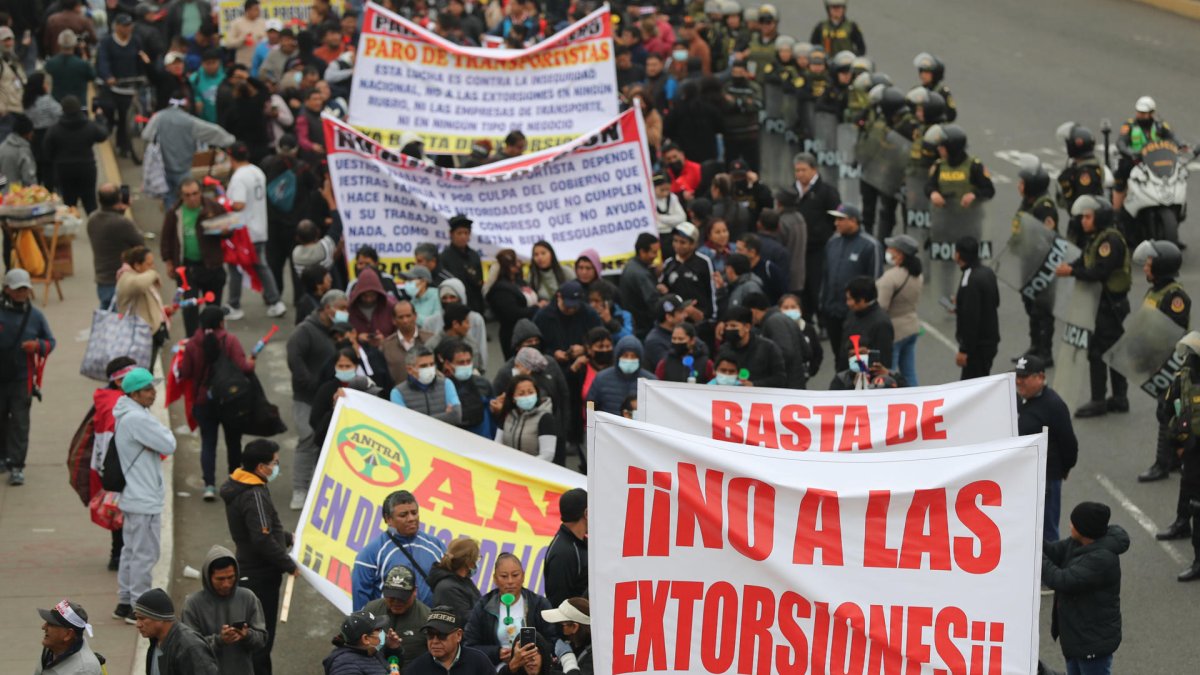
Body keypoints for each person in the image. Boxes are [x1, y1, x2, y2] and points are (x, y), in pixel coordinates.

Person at [1053, 196, 1130, 417]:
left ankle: (1099, 400)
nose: (1083, 221)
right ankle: (1119, 397)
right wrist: (1071, 265)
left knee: (1098, 351)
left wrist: (1071, 272)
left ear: (1100, 217)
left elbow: (1099, 272)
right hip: (1103, 302)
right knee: (1112, 350)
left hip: (1109, 304)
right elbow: (1086, 260)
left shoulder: (1110, 242)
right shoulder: (1095, 238)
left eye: (1088, 217)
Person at [111, 369, 177, 623]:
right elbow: (169, 444)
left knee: (131, 551)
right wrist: (160, 438)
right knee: (145, 554)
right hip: (144, 497)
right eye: (149, 389)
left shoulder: (128, 414)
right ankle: (139, 608)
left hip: (134, 496)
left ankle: (125, 600)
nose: (154, 393)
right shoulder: (137, 419)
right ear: (135, 393)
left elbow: (163, 442)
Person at [1042, 503, 1129, 675]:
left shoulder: (1101, 559)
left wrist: (1037, 557)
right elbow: (1054, 551)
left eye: (1074, 523)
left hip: (1092, 641)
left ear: (1085, 530)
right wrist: (1033, 538)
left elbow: (1062, 580)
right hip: (1078, 637)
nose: (1070, 526)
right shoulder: (1078, 543)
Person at [179, 306, 254, 499]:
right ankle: (235, 483)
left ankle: (209, 486)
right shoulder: (230, 341)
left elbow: (185, 372)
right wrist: (252, 362)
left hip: (203, 401)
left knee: (208, 443)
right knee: (233, 442)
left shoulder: (192, 344)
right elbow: (243, 367)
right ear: (221, 322)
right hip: (230, 400)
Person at [1133, 240, 1190, 482]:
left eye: (1149, 262)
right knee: (1170, 410)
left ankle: (1162, 464)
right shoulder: (1156, 290)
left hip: (1170, 364)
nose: (1145, 266)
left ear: (1161, 265)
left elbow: (1171, 331)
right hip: (1156, 361)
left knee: (1166, 410)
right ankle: (1177, 459)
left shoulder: (1175, 296)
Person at [287, 290, 347, 509]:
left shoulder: (337, 332)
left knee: (328, 441)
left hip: (330, 398)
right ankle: (299, 489)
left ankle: (317, 487)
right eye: (341, 307)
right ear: (327, 308)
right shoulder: (305, 330)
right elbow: (294, 356)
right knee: (307, 438)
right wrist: (311, 384)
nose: (344, 312)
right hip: (307, 397)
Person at [1014, 355, 1078, 542]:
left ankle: (1049, 568)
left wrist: (1063, 469)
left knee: (1046, 529)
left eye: (1024, 377)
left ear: (1040, 377)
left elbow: (1069, 443)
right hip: (1021, 474)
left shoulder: (1054, 405)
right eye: (1018, 376)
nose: (1019, 381)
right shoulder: (1020, 399)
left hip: (1045, 478)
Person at [0, 269, 55, 483]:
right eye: (18, 289)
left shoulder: (35, 316)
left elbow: (50, 341)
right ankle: (2, 457)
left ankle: (17, 466)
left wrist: (38, 346)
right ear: (7, 290)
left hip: (23, 378)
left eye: (25, 289)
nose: (22, 293)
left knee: (20, 423)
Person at [180, 545, 268, 675]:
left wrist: (247, 635)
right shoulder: (193, 605)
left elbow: (262, 639)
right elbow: (190, 650)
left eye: (231, 577)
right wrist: (219, 640)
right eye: (220, 579)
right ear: (208, 577)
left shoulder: (248, 598)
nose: (226, 584)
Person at [222, 142, 286, 319]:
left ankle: (234, 305)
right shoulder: (257, 171)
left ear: (231, 156)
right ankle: (276, 302)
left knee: (235, 266)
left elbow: (239, 204)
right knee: (261, 265)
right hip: (259, 228)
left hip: (243, 231)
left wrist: (223, 203)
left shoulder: (239, 177)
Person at [354, 490, 448, 609]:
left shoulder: (436, 545)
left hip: (428, 624)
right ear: (388, 519)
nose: (411, 518)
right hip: (389, 625)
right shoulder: (370, 554)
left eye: (414, 512)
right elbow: (360, 604)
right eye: (403, 515)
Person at [160, 178, 230, 337]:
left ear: (201, 192)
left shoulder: (213, 208)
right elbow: (166, 238)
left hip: (212, 266)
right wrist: (169, 262)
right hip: (188, 269)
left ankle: (215, 338)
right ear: (181, 196)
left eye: (195, 194)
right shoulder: (174, 213)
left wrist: (225, 230)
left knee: (214, 308)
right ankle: (193, 341)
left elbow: (229, 228)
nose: (192, 198)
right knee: (190, 308)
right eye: (187, 195)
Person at [1155, 332, 1200, 581]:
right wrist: (1177, 442)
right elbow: (1166, 408)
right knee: (1190, 490)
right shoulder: (1183, 378)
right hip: (1192, 447)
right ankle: (1183, 524)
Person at [140, 97, 235, 208]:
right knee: (188, 200)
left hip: (163, 170)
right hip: (184, 169)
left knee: (170, 201)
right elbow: (214, 132)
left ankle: (172, 221)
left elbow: (146, 135)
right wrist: (231, 141)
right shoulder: (189, 121)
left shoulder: (159, 116)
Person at [819, 204, 882, 371]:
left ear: (853, 221)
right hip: (833, 310)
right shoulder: (832, 243)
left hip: (856, 314)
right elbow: (826, 275)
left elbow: (875, 281)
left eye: (840, 219)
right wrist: (823, 303)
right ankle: (841, 388)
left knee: (855, 357)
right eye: (835, 219)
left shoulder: (870, 245)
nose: (836, 223)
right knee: (838, 356)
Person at [464, 553, 555, 665]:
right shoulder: (483, 606)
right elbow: (469, 646)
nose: (510, 581)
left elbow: (552, 641)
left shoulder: (539, 605)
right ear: (495, 579)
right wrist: (497, 653)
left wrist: (531, 653)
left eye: (515, 575)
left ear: (523, 576)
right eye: (504, 576)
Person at [783, 153, 841, 321]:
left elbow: (835, 218)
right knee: (801, 287)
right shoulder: (792, 191)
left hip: (819, 248)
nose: (799, 174)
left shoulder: (827, 192)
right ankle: (805, 319)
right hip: (797, 248)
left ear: (814, 170)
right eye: (797, 170)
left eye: (803, 170)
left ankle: (823, 321)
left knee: (818, 285)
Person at [1014, 160, 1061, 364]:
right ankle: (1034, 346)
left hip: (1042, 266)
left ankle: (1045, 352)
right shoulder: (1029, 202)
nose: (1019, 185)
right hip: (1028, 262)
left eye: (1022, 182)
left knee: (1043, 309)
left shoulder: (1045, 207)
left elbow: (1047, 237)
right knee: (1030, 305)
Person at [44, 95, 106, 215]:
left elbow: (47, 152)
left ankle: (71, 231)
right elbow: (102, 135)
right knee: (90, 203)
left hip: (64, 170)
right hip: (86, 168)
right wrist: (99, 118)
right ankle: (93, 229)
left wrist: (57, 161)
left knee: (69, 204)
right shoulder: (89, 126)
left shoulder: (55, 129)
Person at [1113, 96, 1176, 213]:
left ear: (1152, 113)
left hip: (1155, 161)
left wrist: (1182, 145)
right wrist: (1129, 153)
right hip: (1134, 160)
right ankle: (1115, 213)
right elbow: (1121, 142)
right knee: (1120, 179)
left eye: (1144, 113)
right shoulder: (1129, 125)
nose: (1140, 115)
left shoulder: (1160, 125)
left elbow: (1173, 138)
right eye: (1139, 112)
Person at [134, 588, 219, 674]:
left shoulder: (190, 647)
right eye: (136, 618)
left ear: (160, 618)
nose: (138, 624)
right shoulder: (156, 640)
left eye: (142, 618)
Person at [876, 235, 923, 386]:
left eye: (891, 249)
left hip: (894, 332)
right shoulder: (917, 274)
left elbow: (881, 307)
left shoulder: (891, 277)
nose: (888, 251)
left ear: (900, 253)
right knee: (909, 373)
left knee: (888, 372)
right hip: (911, 327)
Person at [87, 184, 144, 307]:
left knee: (107, 319)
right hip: (120, 281)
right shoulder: (122, 223)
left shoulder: (92, 219)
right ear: (119, 198)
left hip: (102, 280)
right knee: (120, 322)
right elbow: (140, 242)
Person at [363, 565, 432, 668]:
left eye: (402, 597)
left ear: (415, 591)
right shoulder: (371, 610)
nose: (396, 602)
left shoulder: (427, 618)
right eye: (391, 597)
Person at [954, 235, 1001, 380]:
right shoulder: (987, 272)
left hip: (977, 348)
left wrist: (964, 350)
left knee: (971, 388)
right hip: (990, 342)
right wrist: (961, 305)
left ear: (958, 255)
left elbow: (971, 319)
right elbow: (996, 301)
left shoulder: (970, 279)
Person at [403, 606, 495, 675]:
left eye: (441, 635)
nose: (435, 641)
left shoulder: (479, 662)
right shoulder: (416, 669)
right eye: (430, 634)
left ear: (458, 635)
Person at [744, 293, 808, 389]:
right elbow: (806, 351)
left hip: (788, 385)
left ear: (753, 311)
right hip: (795, 382)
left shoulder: (773, 322)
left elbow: (787, 353)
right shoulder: (781, 318)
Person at [533, 280, 603, 366]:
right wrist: (552, 354)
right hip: (553, 366)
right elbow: (536, 346)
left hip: (584, 365)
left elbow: (601, 339)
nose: (571, 310)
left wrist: (585, 349)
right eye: (567, 306)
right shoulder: (543, 317)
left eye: (575, 306)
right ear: (559, 297)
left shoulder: (589, 314)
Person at [487, 249, 540, 360]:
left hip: (531, 329)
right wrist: (537, 308)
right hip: (513, 334)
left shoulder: (519, 282)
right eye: (515, 261)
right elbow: (512, 313)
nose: (519, 263)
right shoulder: (500, 290)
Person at [659, 222, 717, 320]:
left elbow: (712, 291)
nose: (677, 245)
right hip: (676, 319)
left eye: (682, 242)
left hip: (700, 318)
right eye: (675, 241)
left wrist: (712, 317)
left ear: (693, 244)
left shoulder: (704, 262)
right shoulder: (669, 263)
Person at [390, 347, 461, 424]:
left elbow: (456, 416)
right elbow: (404, 423)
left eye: (432, 364)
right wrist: (446, 416)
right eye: (423, 366)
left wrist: (417, 420)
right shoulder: (398, 393)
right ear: (410, 370)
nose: (429, 368)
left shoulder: (446, 384)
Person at [495, 374, 558, 461]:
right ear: (513, 398)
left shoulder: (545, 418)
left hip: (533, 470)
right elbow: (497, 444)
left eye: (531, 392)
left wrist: (524, 467)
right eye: (521, 394)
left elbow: (547, 454)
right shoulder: (507, 416)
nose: (527, 397)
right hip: (508, 468)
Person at [439, 339, 494, 438]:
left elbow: (492, 414)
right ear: (448, 364)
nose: (465, 365)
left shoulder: (483, 384)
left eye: (468, 361)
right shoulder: (441, 388)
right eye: (461, 362)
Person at [587, 335, 654, 415]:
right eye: (625, 355)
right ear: (618, 356)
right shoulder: (601, 378)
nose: (629, 359)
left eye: (633, 356)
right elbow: (590, 406)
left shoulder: (651, 381)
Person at [545, 488, 588, 607]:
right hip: (574, 624)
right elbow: (558, 605)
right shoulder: (563, 553)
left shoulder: (583, 543)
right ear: (586, 513)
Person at [36, 599, 103, 675]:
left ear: (68, 634)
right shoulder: (53, 646)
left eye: (51, 624)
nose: (43, 627)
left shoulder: (83, 670)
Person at [427, 538, 482, 622]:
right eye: (477, 558)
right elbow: (467, 619)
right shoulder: (448, 588)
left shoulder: (463, 581)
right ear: (469, 563)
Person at [619, 234, 662, 340]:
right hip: (643, 329)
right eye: (653, 252)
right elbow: (654, 303)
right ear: (642, 252)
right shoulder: (642, 275)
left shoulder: (631, 265)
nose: (656, 256)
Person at [439, 215, 485, 314]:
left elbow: (479, 283)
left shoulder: (474, 255)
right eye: (459, 233)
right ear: (451, 234)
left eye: (466, 233)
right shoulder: (444, 257)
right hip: (455, 309)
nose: (463, 236)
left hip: (475, 308)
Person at [322, 609, 390, 675]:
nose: (384, 634)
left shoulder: (372, 651)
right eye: (379, 630)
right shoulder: (345, 665)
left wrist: (393, 649)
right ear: (365, 639)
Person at [540, 598, 592, 675]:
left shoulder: (593, 657)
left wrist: (567, 658)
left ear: (574, 627)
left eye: (561, 624)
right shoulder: (574, 647)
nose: (557, 627)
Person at [348, 267, 397, 342]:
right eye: (364, 296)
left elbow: (400, 334)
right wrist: (357, 337)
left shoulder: (391, 307)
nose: (368, 299)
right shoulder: (349, 307)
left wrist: (385, 340)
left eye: (372, 295)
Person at [0, 113, 36, 189]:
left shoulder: (3, 146)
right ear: (27, 133)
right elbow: (29, 178)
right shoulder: (23, 150)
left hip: (2, 195)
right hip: (18, 195)